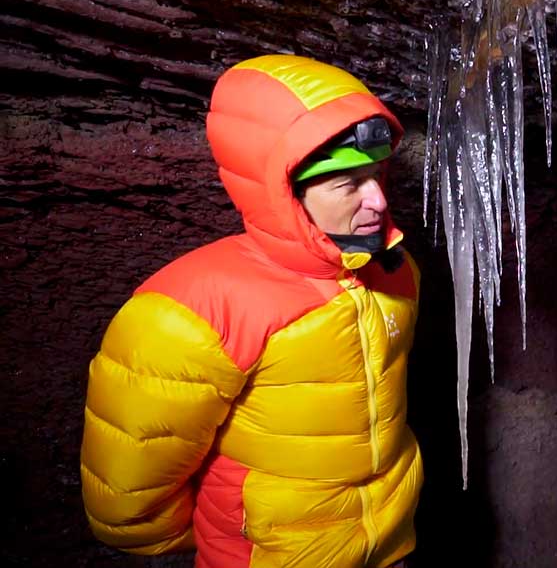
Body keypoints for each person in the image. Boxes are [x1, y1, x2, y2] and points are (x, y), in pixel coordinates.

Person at [80, 54, 423, 568]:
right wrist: (230, 539)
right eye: (347, 184)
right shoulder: (192, 308)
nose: (376, 199)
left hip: (391, 546)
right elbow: (125, 495)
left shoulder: (395, 271)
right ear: (283, 191)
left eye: (376, 175)